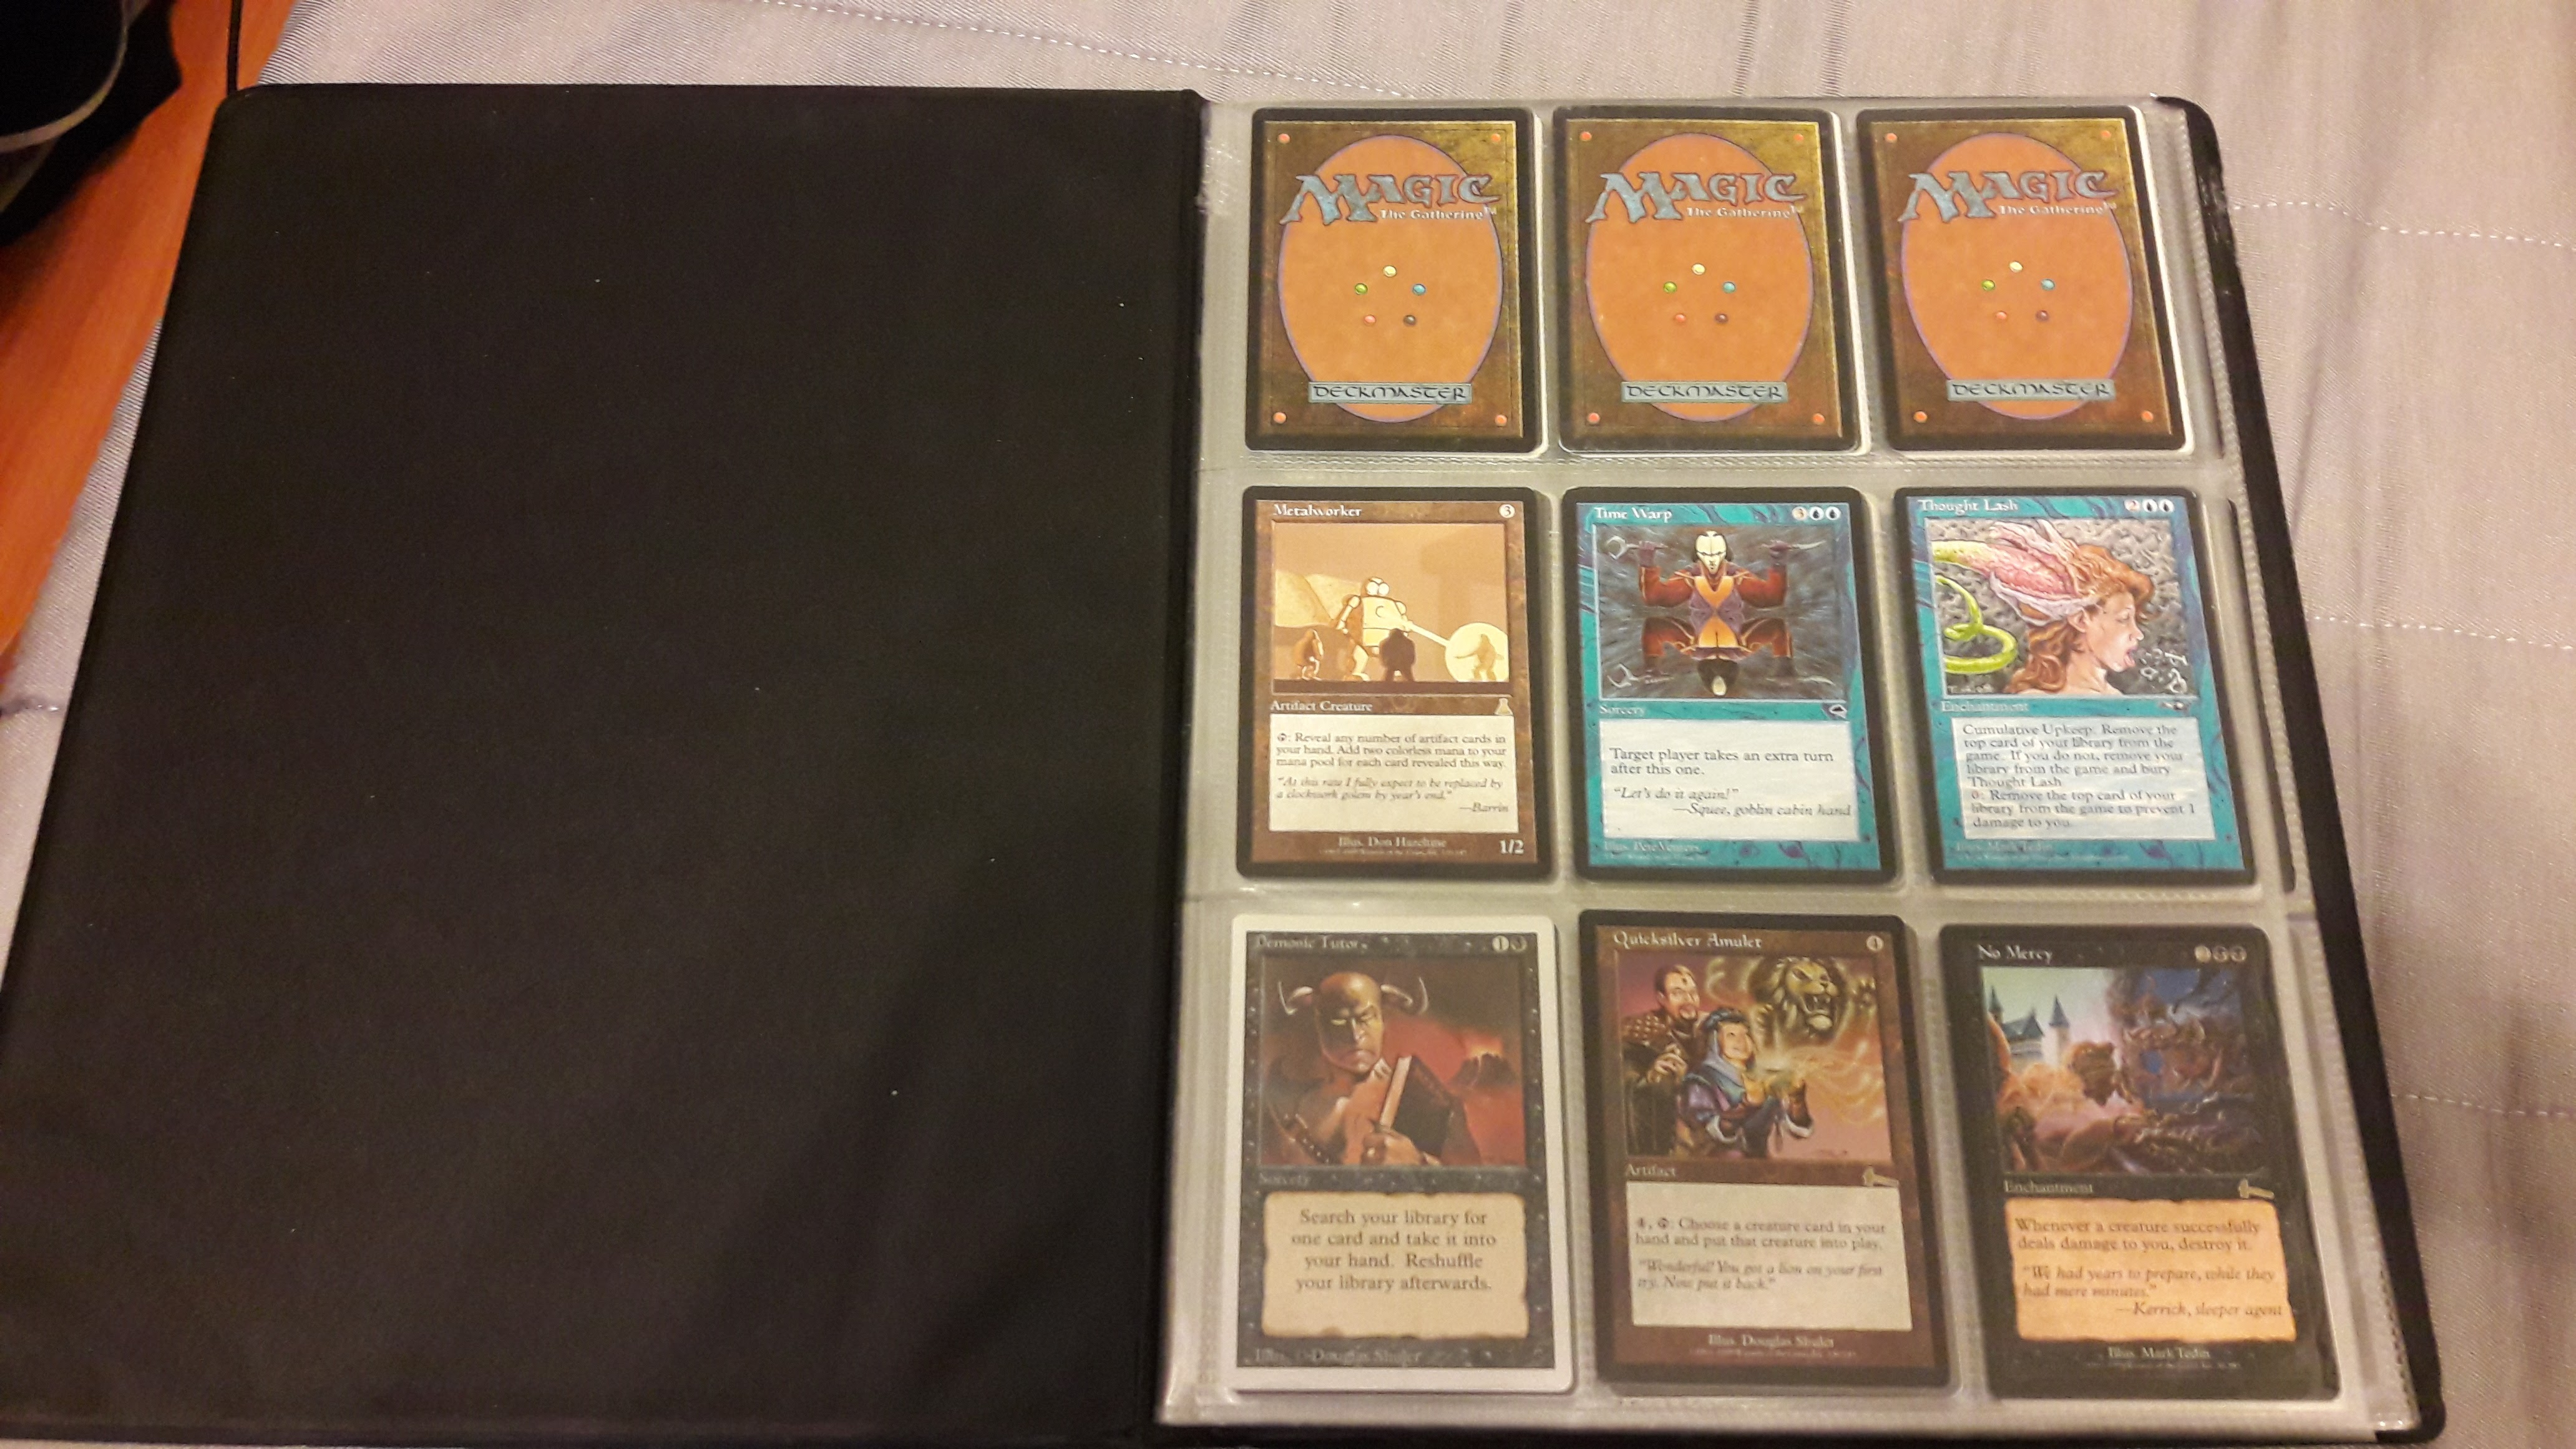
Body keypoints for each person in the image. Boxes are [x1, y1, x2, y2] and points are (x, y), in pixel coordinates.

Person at [1262, 971, 1478, 1167]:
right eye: (1338, 1022)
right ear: (1319, 1026)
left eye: (1365, 1018)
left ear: (1383, 1020)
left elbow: (1475, 1180)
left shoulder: (1427, 1100)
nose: (1355, 1035)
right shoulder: (1293, 1107)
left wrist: (1419, 1163)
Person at [1933, 520, 2155, 696]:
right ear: (2080, 620)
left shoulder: (2116, 698)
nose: (2138, 634)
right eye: (2123, 619)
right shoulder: (2035, 700)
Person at [1636, 531, 1793, 696]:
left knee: (1777, 626)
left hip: (1720, 639)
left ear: (1725, 553)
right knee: (1654, 626)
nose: (1712, 560)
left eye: (1717, 554)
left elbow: (1770, 598)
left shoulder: (1734, 575)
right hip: (1715, 638)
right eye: (1705, 555)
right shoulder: (1693, 576)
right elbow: (1657, 598)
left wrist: (1779, 562)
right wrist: (1647, 562)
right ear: (1698, 555)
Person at [1677, 1007, 1812, 1158]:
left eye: (1746, 1034)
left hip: (1759, 1164)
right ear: (1714, 1041)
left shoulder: (1765, 1079)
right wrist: (1747, 1106)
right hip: (1717, 1165)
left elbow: (1798, 1128)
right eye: (1731, 1035)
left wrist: (1797, 1099)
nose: (1741, 1041)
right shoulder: (1701, 1081)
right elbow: (1705, 1132)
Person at [1619, 963, 1702, 1156]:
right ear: (1662, 999)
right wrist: (1650, 1079)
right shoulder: (1639, 1033)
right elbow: (1622, 1083)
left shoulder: (1709, 1032)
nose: (1688, 1000)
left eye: (1693, 992)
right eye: (1678, 993)